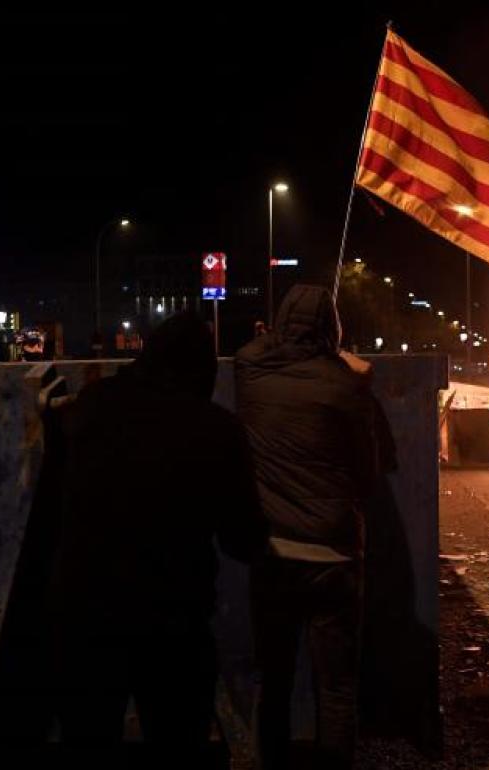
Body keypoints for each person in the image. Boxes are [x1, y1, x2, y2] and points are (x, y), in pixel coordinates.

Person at [49, 312, 267, 766]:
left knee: (87, 743)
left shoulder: (92, 405)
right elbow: (241, 539)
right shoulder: (215, 429)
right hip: (173, 625)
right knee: (178, 744)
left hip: (87, 617)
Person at [235, 284, 390, 769]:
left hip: (274, 554)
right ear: (333, 328)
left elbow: (256, 346)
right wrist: (351, 370)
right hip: (334, 558)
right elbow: (367, 476)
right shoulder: (347, 386)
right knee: (337, 689)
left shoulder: (251, 371)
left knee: (274, 679)